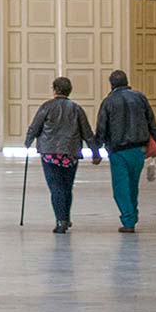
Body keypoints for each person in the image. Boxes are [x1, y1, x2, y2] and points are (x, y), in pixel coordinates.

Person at [23, 74, 97, 233]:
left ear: (55, 89)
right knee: (67, 187)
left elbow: (35, 126)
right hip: (70, 153)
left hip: (50, 153)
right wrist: (95, 151)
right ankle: (66, 217)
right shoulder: (76, 108)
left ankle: (61, 220)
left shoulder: (47, 107)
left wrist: (28, 141)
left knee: (56, 187)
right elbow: (87, 131)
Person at [94, 69, 156, 230]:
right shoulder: (140, 98)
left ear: (111, 84)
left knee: (121, 187)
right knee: (132, 185)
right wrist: (155, 142)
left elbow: (102, 128)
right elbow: (151, 121)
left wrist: (96, 150)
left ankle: (129, 220)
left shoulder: (108, 102)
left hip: (118, 151)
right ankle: (132, 216)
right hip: (138, 149)